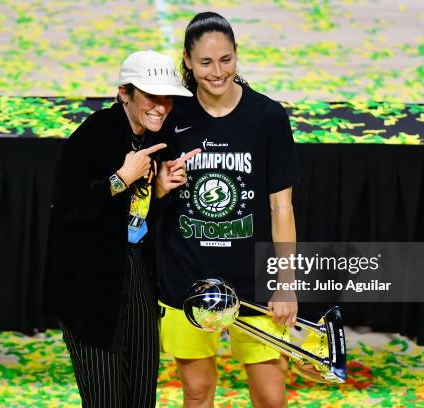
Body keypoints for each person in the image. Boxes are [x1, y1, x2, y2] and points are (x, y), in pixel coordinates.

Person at [155, 12, 298, 407]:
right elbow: (149, 195)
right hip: (186, 278)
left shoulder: (267, 117)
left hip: (253, 283)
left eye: (225, 60)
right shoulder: (171, 116)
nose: (217, 72)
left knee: (271, 397)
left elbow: (281, 206)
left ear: (236, 55)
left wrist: (285, 282)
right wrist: (161, 186)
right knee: (197, 391)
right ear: (187, 60)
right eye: (205, 62)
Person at [43, 50, 195, 407]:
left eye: (167, 97)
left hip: (136, 270)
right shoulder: (93, 135)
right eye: (151, 95)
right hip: (89, 284)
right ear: (124, 93)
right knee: (105, 398)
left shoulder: (157, 139)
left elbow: (137, 218)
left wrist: (158, 192)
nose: (161, 106)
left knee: (142, 393)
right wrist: (119, 179)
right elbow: (66, 209)